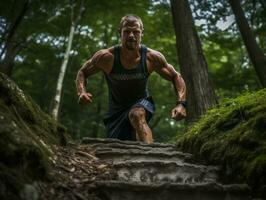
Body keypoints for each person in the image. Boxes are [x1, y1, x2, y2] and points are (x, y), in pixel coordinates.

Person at [76, 14, 186, 144]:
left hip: (143, 102)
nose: (131, 35)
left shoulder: (151, 57)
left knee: (136, 114)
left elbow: (175, 76)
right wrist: (81, 92)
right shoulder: (106, 57)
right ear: (120, 33)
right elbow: (83, 72)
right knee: (118, 144)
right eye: (127, 31)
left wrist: (181, 104)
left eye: (136, 32)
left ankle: (150, 155)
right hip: (116, 111)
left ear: (141, 33)